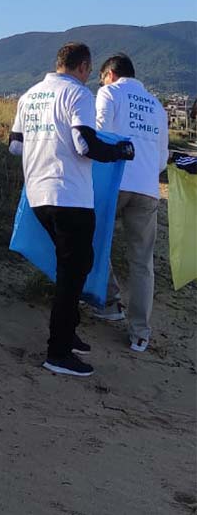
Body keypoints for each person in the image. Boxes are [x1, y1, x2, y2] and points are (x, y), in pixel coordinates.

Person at [8, 43, 134, 377]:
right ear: (83, 67)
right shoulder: (79, 94)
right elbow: (84, 144)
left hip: (38, 195)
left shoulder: (30, 95)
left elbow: (14, 145)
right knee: (73, 271)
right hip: (71, 196)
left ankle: (69, 332)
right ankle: (58, 351)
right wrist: (118, 150)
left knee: (74, 266)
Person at [93, 54, 168, 352]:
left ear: (110, 75)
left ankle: (110, 302)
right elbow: (162, 158)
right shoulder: (157, 106)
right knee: (142, 262)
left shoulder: (109, 93)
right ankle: (140, 332)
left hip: (115, 181)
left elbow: (99, 134)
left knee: (96, 242)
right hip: (149, 187)